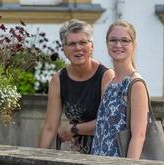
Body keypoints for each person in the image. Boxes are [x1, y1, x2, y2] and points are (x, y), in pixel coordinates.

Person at [38, 19, 114, 153]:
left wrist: (73, 128)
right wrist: (36, 160)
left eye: (83, 42)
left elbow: (107, 123)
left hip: (105, 151)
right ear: (64, 50)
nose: (78, 48)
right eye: (72, 44)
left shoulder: (106, 76)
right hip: (76, 151)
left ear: (92, 46)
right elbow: (50, 127)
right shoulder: (58, 79)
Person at [91, 20, 149, 159]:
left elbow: (139, 136)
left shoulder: (135, 84)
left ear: (133, 45)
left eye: (124, 40)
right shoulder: (110, 83)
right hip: (98, 164)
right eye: (113, 40)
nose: (118, 45)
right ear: (107, 44)